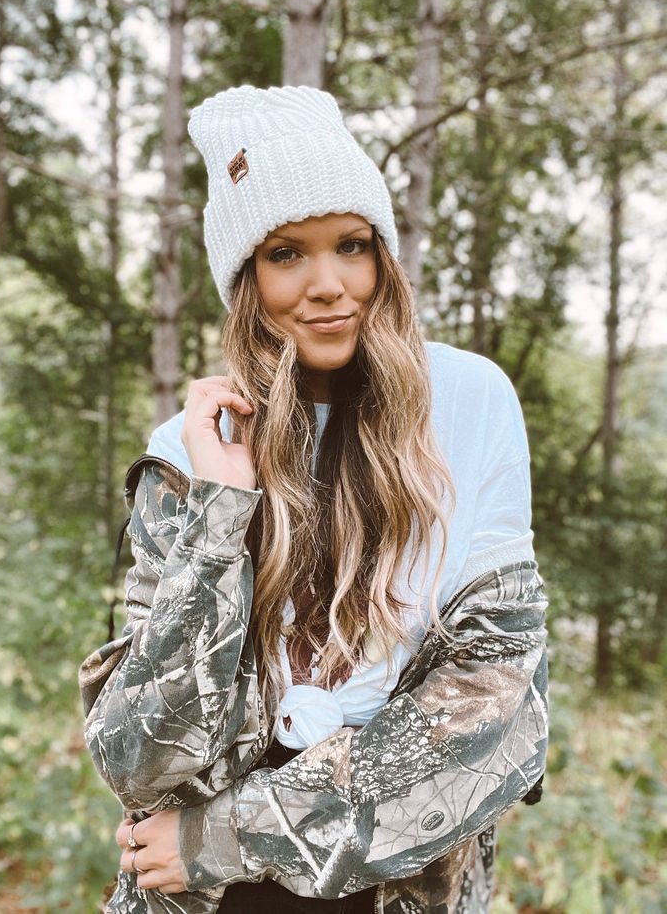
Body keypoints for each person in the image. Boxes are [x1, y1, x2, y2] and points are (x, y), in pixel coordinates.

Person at [78, 84, 548, 914]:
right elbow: (137, 758)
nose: (330, 284)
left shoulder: (470, 405)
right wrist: (222, 509)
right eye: (287, 253)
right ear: (245, 276)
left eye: (353, 245)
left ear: (384, 257)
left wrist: (226, 834)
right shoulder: (190, 449)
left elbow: (496, 709)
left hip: (385, 886)